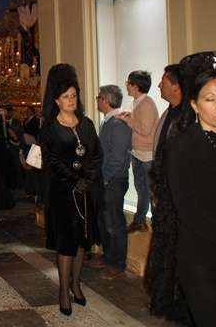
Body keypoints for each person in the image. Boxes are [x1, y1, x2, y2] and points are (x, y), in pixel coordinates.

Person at [39, 64, 102, 316]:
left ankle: (77, 284)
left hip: (85, 192)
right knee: (66, 243)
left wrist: (88, 178)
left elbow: (96, 155)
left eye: (74, 95)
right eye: (66, 96)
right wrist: (74, 180)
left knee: (82, 242)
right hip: (63, 194)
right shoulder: (50, 128)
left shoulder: (86, 124)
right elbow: (52, 161)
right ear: (57, 100)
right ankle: (64, 290)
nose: (71, 100)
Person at [165, 65, 216, 327]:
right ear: (195, 105)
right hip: (201, 255)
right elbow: (186, 206)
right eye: (210, 99)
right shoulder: (182, 145)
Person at [145, 63, 191, 322]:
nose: (159, 84)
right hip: (163, 193)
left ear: (176, 86)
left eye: (163, 80)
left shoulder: (187, 117)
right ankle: (164, 297)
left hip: (178, 198)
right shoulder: (169, 113)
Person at [96, 85, 131, 280]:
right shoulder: (109, 121)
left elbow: (118, 157)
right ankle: (108, 257)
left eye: (99, 97)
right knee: (105, 221)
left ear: (106, 100)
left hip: (114, 180)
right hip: (107, 179)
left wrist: (106, 177)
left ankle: (117, 264)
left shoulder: (118, 124)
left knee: (114, 223)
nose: (97, 100)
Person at [116, 71, 159, 233]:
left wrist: (127, 119)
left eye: (128, 83)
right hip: (138, 153)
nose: (126, 86)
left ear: (136, 86)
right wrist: (129, 116)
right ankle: (140, 221)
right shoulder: (138, 102)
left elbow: (145, 129)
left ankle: (152, 223)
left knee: (149, 191)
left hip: (146, 155)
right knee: (142, 189)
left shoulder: (146, 104)